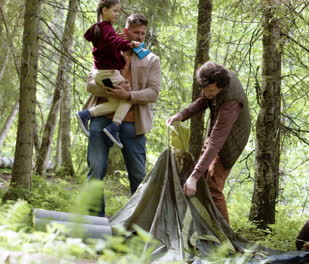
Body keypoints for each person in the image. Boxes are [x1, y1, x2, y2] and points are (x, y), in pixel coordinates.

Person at [83, 13, 161, 217]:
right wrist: (109, 91)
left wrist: (128, 95)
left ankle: (137, 225)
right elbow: (90, 84)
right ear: (125, 31)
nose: (140, 36)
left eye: (143, 33)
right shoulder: (106, 49)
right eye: (136, 32)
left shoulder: (151, 59)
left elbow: (154, 93)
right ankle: (95, 223)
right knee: (95, 171)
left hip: (133, 124)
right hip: (101, 119)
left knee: (138, 176)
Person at [166, 62, 251, 224]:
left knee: (212, 187)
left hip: (230, 141)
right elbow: (204, 100)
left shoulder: (231, 102)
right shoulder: (212, 83)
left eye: (211, 91)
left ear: (221, 87)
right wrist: (181, 115)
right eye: (205, 89)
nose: (207, 93)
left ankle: (226, 238)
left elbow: (217, 141)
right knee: (200, 180)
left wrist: (193, 176)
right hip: (216, 133)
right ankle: (204, 226)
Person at [76, 0, 141, 148]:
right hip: (108, 72)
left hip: (100, 72)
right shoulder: (106, 28)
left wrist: (115, 38)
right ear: (104, 10)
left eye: (118, 11)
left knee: (114, 102)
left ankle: (86, 114)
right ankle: (114, 126)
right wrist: (129, 44)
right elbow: (112, 40)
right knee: (128, 96)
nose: (118, 14)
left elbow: (108, 42)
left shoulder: (99, 28)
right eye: (115, 11)